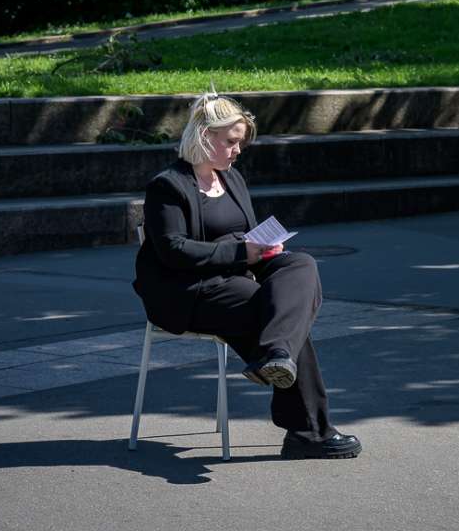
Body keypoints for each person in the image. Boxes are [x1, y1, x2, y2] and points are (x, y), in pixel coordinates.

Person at [132, 91, 361, 460]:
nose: (238, 150)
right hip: (191, 289)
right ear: (205, 136)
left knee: (301, 265)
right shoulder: (168, 186)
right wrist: (242, 252)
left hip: (240, 272)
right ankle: (307, 428)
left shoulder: (232, 178)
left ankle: (277, 356)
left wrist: (264, 249)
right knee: (277, 309)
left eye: (240, 142)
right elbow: (172, 251)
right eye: (231, 141)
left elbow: (248, 233)